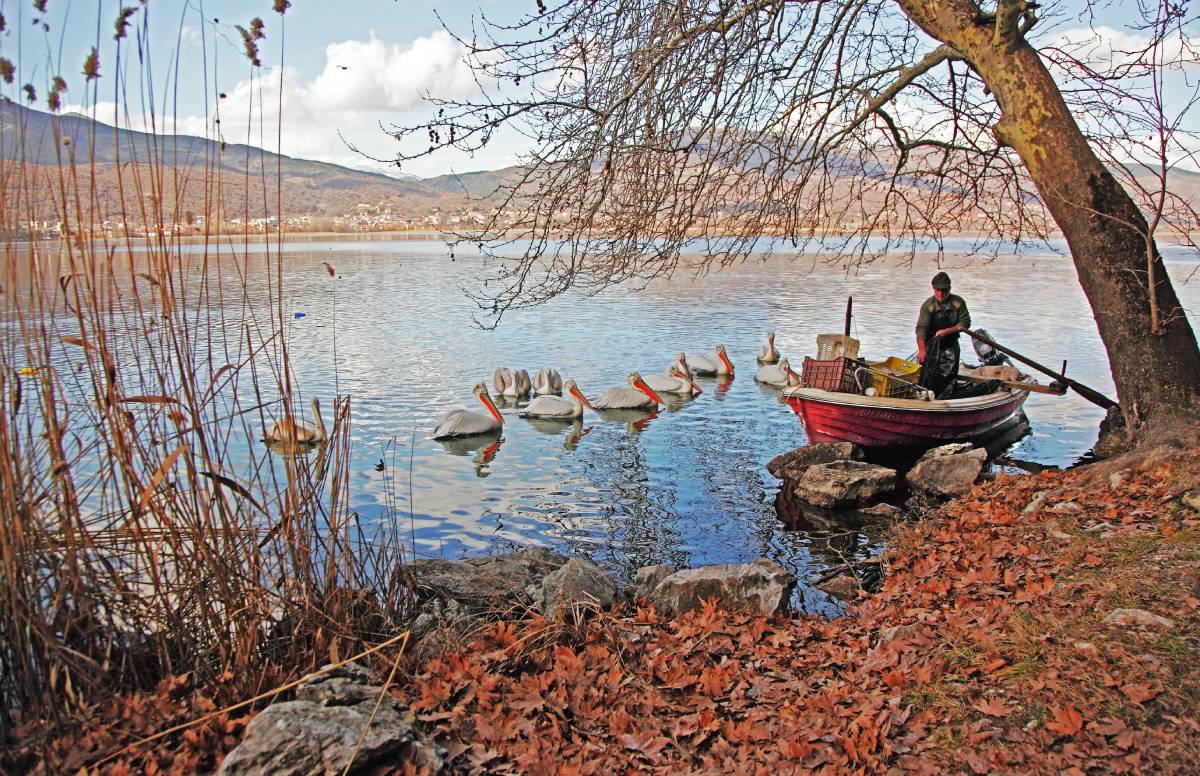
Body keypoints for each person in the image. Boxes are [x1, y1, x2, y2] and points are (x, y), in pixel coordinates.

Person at [916, 271, 971, 398]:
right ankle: (926, 395)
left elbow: (965, 322)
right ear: (933, 289)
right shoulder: (928, 305)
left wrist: (947, 331)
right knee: (928, 374)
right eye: (937, 290)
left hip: (950, 344)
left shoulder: (958, 303)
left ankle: (945, 397)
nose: (940, 294)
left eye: (944, 290)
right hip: (931, 344)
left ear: (949, 289)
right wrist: (922, 350)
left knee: (949, 375)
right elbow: (921, 328)